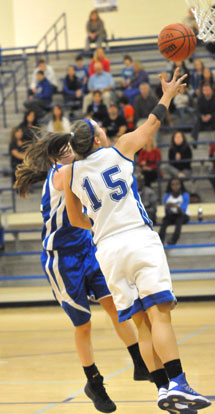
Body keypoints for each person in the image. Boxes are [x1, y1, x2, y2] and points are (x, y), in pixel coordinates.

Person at [59, 68, 211, 413]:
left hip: (107, 251)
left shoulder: (72, 174)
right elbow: (153, 123)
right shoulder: (120, 149)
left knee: (141, 321)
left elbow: (73, 219)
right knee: (160, 315)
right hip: (137, 239)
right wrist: (168, 94)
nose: (104, 131)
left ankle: (161, 389)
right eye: (100, 129)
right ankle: (180, 384)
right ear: (98, 139)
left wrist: (99, 225)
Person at [14, 133, 151, 413]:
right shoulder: (62, 174)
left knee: (114, 306)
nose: (70, 153)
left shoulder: (74, 168)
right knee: (84, 324)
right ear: (55, 158)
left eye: (71, 148)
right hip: (62, 259)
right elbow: (93, 167)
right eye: (65, 150)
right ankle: (94, 382)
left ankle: (139, 361)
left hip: (87, 250)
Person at [159, 178, 190, 245]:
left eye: (177, 184)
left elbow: (182, 211)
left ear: (181, 185)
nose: (175, 186)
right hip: (171, 215)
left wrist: (175, 206)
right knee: (164, 221)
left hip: (183, 215)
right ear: (170, 186)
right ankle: (160, 240)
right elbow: (167, 211)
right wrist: (170, 208)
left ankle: (173, 240)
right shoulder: (167, 196)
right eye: (173, 184)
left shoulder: (185, 195)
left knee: (179, 220)